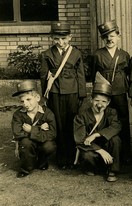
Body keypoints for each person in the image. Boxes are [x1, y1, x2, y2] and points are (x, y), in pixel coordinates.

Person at [40, 21, 87, 169]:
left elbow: (81, 75)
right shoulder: (47, 54)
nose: (61, 42)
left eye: (64, 38)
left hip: (72, 92)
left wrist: (82, 95)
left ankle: (73, 155)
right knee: (59, 125)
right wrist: (45, 96)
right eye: (56, 39)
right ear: (52, 39)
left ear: (70, 37)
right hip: (55, 92)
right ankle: (61, 157)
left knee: (71, 123)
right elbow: (43, 76)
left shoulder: (76, 53)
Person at [92, 20, 131, 164]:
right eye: (106, 37)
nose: (109, 39)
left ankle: (125, 153)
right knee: (104, 120)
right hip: (104, 92)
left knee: (123, 120)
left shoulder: (125, 55)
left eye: (112, 36)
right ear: (103, 39)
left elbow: (128, 74)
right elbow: (92, 75)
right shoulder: (97, 55)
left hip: (120, 91)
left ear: (118, 36)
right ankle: (105, 150)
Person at [73, 82, 121, 182]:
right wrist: (100, 150)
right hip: (90, 148)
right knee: (87, 156)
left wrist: (96, 134)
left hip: (105, 144)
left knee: (116, 140)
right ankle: (93, 168)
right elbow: (80, 139)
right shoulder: (82, 115)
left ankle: (112, 170)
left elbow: (116, 126)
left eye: (104, 101)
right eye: (97, 100)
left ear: (108, 103)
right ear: (91, 100)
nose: (99, 104)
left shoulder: (111, 112)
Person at [11, 80, 56, 178]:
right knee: (26, 143)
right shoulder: (18, 115)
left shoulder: (47, 113)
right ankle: (26, 168)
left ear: (37, 98)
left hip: (42, 142)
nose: (25, 104)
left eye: (28, 99)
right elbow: (18, 133)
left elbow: (52, 133)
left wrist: (32, 130)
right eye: (22, 101)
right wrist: (40, 129)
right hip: (28, 142)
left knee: (49, 146)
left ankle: (41, 161)